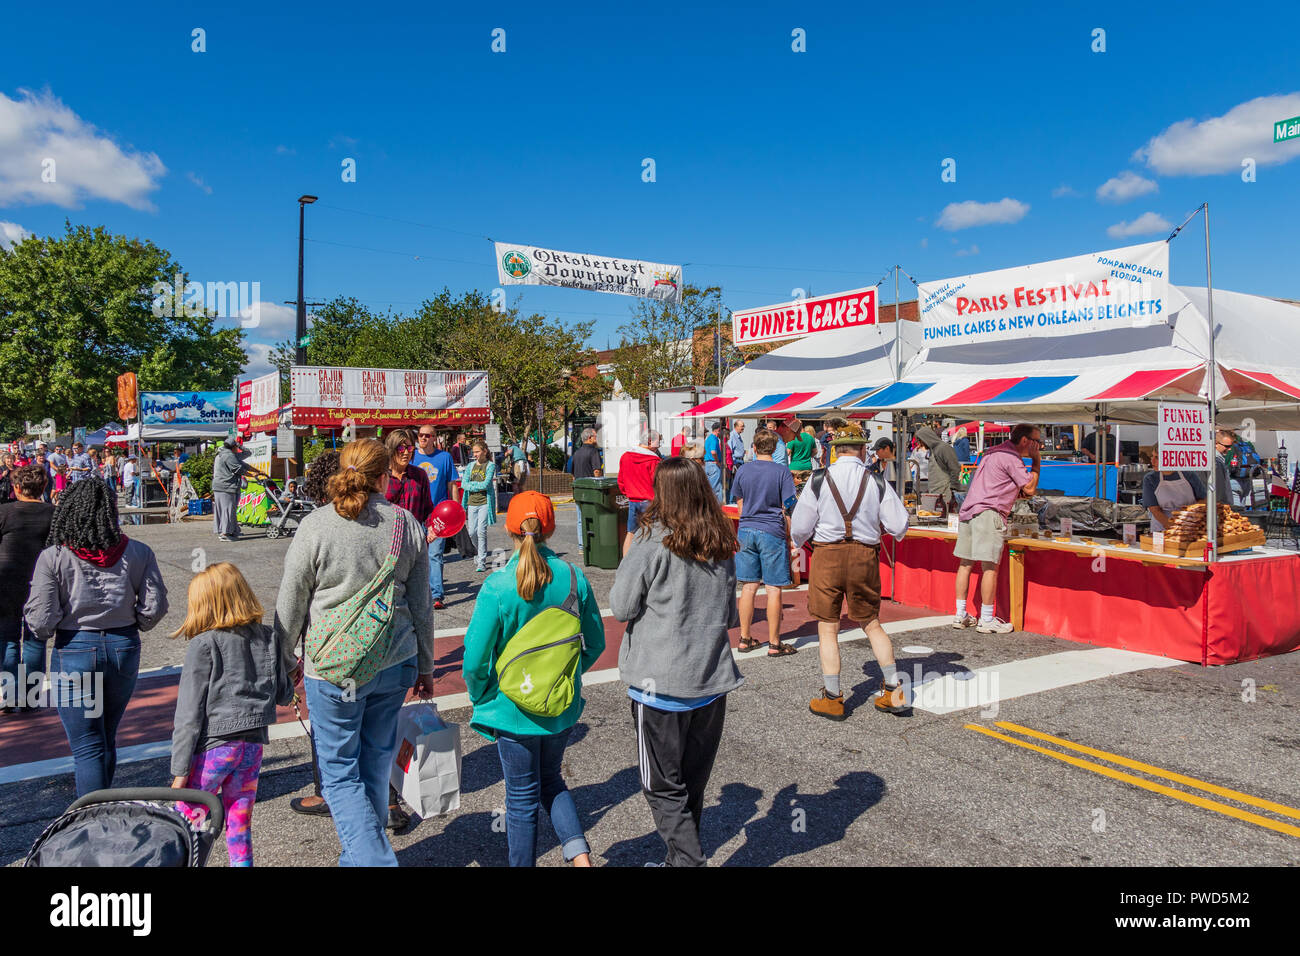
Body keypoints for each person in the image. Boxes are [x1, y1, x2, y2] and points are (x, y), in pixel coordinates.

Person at [275, 438, 436, 867]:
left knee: (339, 773)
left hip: (333, 666)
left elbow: (291, 601)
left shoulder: (315, 526)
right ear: (385, 477)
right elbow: (421, 606)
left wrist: (285, 657)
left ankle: (372, 860)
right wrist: (425, 666)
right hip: (394, 659)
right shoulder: (407, 525)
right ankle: (358, 856)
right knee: (374, 763)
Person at [610, 458, 742, 866]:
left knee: (663, 787)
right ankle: (678, 859)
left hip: (661, 686)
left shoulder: (653, 540)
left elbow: (620, 605)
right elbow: (731, 617)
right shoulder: (721, 541)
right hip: (710, 681)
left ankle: (687, 861)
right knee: (691, 784)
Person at [463, 491, 604, 867]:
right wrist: (561, 679)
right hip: (559, 705)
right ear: (551, 527)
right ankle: (580, 858)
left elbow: (475, 661)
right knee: (552, 781)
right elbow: (595, 644)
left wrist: (482, 696)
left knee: (521, 798)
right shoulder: (574, 578)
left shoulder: (498, 585)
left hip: (511, 708)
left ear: (508, 527)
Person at [24, 478, 168, 795]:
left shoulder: (54, 557)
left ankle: (92, 817)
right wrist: (136, 622)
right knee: (106, 735)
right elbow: (154, 606)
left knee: (88, 745)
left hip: (75, 649)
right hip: (122, 646)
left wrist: (54, 624)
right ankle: (103, 806)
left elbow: (41, 619)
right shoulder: (138, 551)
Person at [169, 563, 293, 866]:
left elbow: (189, 713)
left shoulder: (204, 644)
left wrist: (180, 769)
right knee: (239, 823)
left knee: (187, 823)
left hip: (214, 748)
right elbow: (284, 695)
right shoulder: (268, 637)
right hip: (251, 748)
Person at [790, 424, 910, 720]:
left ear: (835, 450)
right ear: (861, 449)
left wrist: (798, 543)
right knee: (871, 623)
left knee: (828, 626)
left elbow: (800, 527)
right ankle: (893, 692)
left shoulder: (819, 479)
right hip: (864, 556)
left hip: (827, 556)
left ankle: (832, 698)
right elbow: (900, 526)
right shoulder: (877, 481)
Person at [952, 423, 1041, 634]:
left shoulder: (993, 452)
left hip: (969, 510)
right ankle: (986, 618)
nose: (1040, 446)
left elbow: (1004, 486)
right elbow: (1029, 488)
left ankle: (960, 614)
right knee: (989, 567)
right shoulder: (1011, 457)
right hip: (989, 513)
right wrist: (1036, 462)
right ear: (1025, 441)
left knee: (965, 564)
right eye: (1037, 441)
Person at [732, 428, 798, 657]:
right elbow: (789, 505)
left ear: (754, 447)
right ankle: (774, 642)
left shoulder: (743, 470)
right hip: (772, 529)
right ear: (776, 448)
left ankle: (744, 637)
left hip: (747, 528)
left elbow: (739, 502)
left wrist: (747, 520)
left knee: (749, 587)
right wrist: (789, 534)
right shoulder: (782, 472)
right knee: (773, 588)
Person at [0, 466, 54, 715]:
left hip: (5, 583)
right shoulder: (54, 514)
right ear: (44, 487)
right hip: (40, 585)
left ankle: (10, 696)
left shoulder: (4, 512)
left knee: (8, 640)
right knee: (35, 640)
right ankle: (30, 697)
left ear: (17, 488)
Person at [412, 424, 457, 610]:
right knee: (416, 555)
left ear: (434, 438)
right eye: (420, 435)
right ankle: (418, 592)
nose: (423, 438)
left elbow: (452, 484)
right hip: (415, 513)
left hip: (437, 515)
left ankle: (437, 595)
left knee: (435, 554)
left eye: (427, 435)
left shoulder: (445, 457)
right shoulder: (411, 457)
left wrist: (456, 510)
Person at [619, 429, 662, 553]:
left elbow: (621, 480)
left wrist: (628, 493)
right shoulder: (654, 461)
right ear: (650, 442)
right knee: (654, 535)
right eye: (658, 442)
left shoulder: (625, 456)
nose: (659, 445)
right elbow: (658, 483)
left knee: (631, 533)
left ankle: (626, 564)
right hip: (651, 501)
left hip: (633, 500)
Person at [212, 436, 263, 542]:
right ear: (233, 447)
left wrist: (258, 471)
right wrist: (251, 474)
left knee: (228, 510)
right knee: (228, 510)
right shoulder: (228, 455)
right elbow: (238, 468)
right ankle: (225, 533)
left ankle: (232, 530)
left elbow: (245, 461)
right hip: (225, 486)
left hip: (222, 486)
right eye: (236, 446)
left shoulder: (225, 454)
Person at [461, 440, 498, 573]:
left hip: (484, 502)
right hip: (471, 503)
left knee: (481, 531)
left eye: (477, 451)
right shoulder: (470, 466)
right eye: (473, 452)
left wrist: (472, 486)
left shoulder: (490, 466)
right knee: (471, 532)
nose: (474, 454)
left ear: (484, 451)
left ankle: (481, 561)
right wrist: (474, 486)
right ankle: (477, 552)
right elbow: (464, 484)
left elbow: (486, 484)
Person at [915, 426, 964, 515]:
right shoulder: (932, 450)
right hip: (934, 493)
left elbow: (955, 468)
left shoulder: (943, 448)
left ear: (927, 438)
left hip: (945, 493)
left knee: (944, 517)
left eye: (921, 441)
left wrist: (953, 488)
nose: (921, 444)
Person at [1142, 467, 1206, 532]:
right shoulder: (1150, 478)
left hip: (1190, 522)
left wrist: (1188, 517)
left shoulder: (1189, 474)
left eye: (1157, 458)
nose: (1152, 461)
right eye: (1152, 457)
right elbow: (1155, 510)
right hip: (1161, 526)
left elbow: (1204, 500)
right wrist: (1173, 527)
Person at [571, 426, 603, 547]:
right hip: (591, 490)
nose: (597, 438)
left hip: (579, 490)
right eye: (595, 436)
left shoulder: (576, 453)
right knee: (594, 517)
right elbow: (596, 471)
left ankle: (581, 545)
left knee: (580, 518)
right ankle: (594, 544)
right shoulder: (594, 451)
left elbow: (573, 474)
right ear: (590, 438)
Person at [703, 421, 726, 502]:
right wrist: (717, 461)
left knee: (710, 487)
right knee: (716, 489)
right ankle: (717, 508)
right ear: (718, 430)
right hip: (713, 465)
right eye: (722, 431)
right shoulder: (714, 439)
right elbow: (713, 451)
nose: (723, 433)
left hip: (708, 464)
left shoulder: (708, 438)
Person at [727, 421, 746, 502]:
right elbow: (730, 450)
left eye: (743, 426)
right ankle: (732, 501)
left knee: (739, 483)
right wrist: (733, 463)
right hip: (736, 462)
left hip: (740, 461)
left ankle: (734, 500)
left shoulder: (738, 436)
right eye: (741, 426)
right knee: (735, 483)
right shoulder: (732, 436)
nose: (743, 428)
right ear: (736, 426)